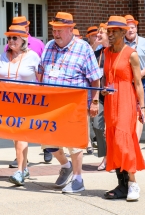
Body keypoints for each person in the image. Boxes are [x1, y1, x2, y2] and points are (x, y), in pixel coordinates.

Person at [39, 12, 102, 193]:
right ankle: (65, 166)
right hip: (51, 105)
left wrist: (95, 101)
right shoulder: (49, 46)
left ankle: (78, 179)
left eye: (59, 30)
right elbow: (41, 71)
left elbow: (95, 79)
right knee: (47, 141)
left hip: (75, 104)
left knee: (73, 143)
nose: (55, 34)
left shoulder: (83, 48)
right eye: (53, 30)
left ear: (70, 30)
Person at [101, 16, 145, 201]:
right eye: (108, 31)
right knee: (112, 141)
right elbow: (105, 77)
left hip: (126, 100)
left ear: (123, 32)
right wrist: (102, 90)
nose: (109, 34)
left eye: (113, 32)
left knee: (123, 140)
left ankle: (133, 183)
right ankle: (122, 184)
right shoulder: (105, 52)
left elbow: (138, 83)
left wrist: (141, 107)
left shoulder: (131, 54)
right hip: (110, 101)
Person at [0, 25, 42, 185]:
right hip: (7, 102)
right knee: (16, 137)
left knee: (21, 135)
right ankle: (25, 167)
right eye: (9, 38)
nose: (11, 41)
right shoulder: (2, 56)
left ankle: (20, 171)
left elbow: (42, 80)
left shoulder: (33, 56)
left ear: (23, 40)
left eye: (14, 38)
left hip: (27, 102)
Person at [4, 16, 50, 166]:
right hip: (12, 98)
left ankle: (47, 148)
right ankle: (22, 161)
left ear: (27, 29)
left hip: (31, 96)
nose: (12, 39)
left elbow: (42, 72)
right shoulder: (8, 48)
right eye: (10, 35)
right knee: (17, 131)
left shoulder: (38, 45)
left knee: (33, 127)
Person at [124, 14, 145, 142]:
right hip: (125, 82)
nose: (130, 30)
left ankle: (135, 141)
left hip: (142, 81)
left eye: (132, 27)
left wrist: (140, 73)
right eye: (127, 27)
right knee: (127, 109)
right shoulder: (120, 44)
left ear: (136, 28)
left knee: (139, 108)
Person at [94, 24, 109, 170]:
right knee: (97, 125)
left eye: (101, 34)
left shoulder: (114, 51)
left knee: (111, 127)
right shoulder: (97, 52)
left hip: (112, 93)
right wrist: (95, 44)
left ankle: (108, 158)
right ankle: (105, 154)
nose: (98, 35)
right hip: (98, 94)